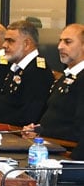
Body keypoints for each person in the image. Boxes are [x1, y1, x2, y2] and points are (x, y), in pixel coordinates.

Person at [23, 23, 84, 160]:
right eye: (60, 41)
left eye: (68, 42)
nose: (60, 46)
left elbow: (79, 129)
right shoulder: (68, 76)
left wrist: (42, 133)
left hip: (64, 151)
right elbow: (58, 116)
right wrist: (37, 129)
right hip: (47, 144)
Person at [0, 20, 53, 126]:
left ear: (27, 44)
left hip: (14, 133)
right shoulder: (16, 68)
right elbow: (2, 103)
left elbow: (28, 117)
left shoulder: (37, 72)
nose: (4, 45)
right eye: (5, 40)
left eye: (10, 41)